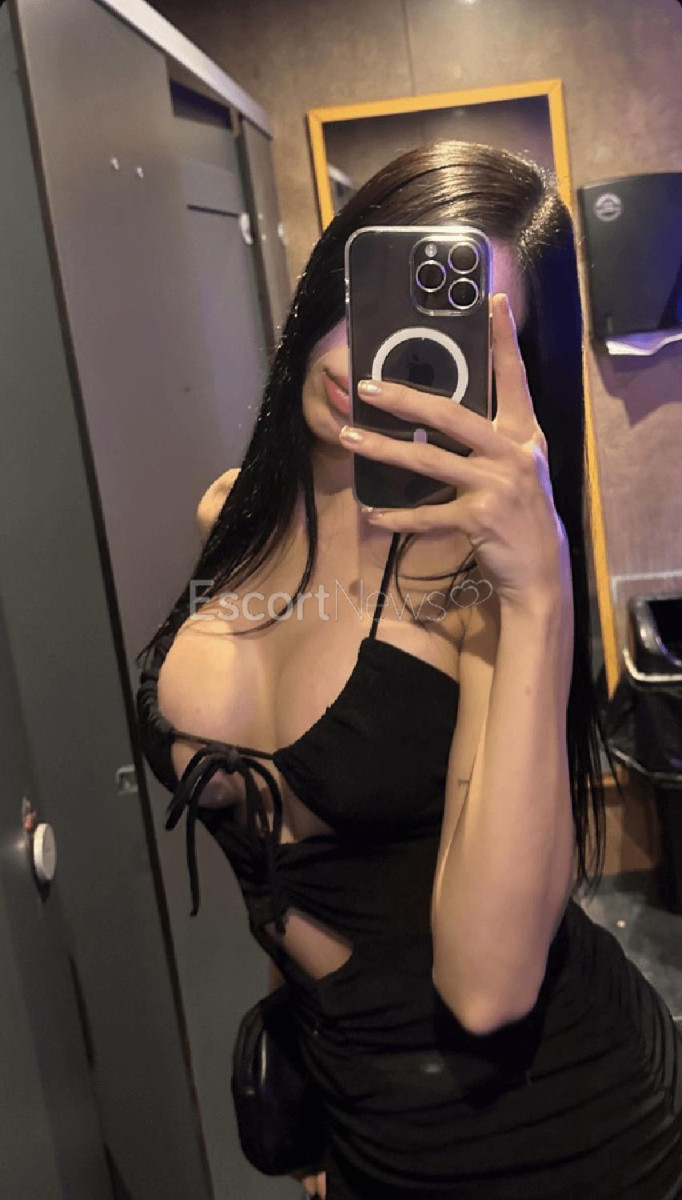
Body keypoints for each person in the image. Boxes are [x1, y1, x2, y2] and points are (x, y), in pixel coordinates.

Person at [135, 142, 682, 1199]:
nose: (368, 352)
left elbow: (487, 988)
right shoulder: (230, 514)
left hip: (559, 1138)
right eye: (373, 288)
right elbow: (272, 860)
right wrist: (315, 1127)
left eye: (453, 327)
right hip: (360, 1125)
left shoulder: (480, 586)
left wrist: (540, 590)